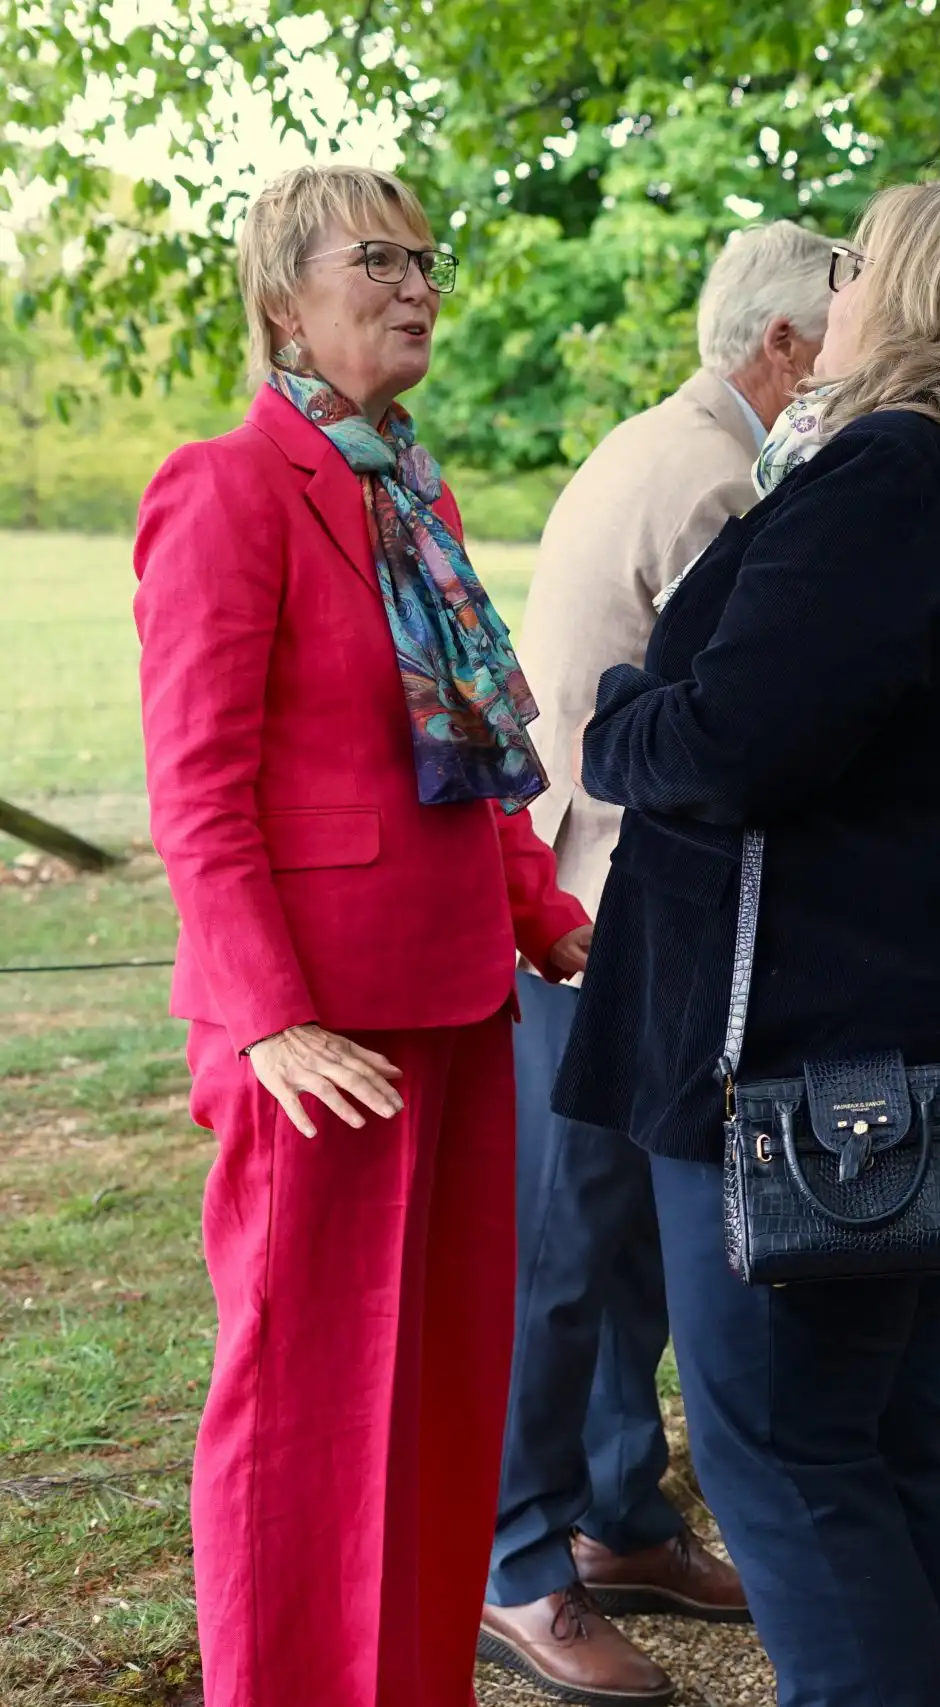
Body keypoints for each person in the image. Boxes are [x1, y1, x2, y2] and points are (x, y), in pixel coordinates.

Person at [551, 181, 940, 1707]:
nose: (835, 290)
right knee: (880, 1439)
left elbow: (731, 740)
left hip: (801, 1075)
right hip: (912, 1071)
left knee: (789, 1453)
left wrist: (616, 717)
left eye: (853, 262)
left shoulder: (887, 475)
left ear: (911, 291)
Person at [133, 163, 591, 1707]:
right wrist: (269, 1015)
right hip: (313, 1035)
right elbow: (197, 790)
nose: (417, 287)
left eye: (426, 260)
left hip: (457, 1001)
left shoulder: (415, 493)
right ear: (284, 297)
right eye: (378, 261)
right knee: (306, 1412)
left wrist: (546, 916)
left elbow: (469, 762)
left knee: (443, 1395)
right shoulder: (226, 487)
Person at [477, 221, 836, 1701]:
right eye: (842, 333)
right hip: (600, 910)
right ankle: (517, 1562)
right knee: (565, 1252)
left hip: (594, 892)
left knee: (618, 1243)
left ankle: (620, 1517)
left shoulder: (666, 441)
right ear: (784, 347)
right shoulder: (714, 481)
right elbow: (727, 734)